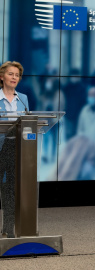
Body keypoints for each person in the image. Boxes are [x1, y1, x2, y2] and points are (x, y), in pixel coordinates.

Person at [0, 61, 29, 238]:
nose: (14, 78)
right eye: (11, 74)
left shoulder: (23, 98)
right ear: (2, 76)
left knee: (10, 189)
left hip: (15, 148)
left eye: (17, 75)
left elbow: (27, 123)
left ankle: (8, 228)